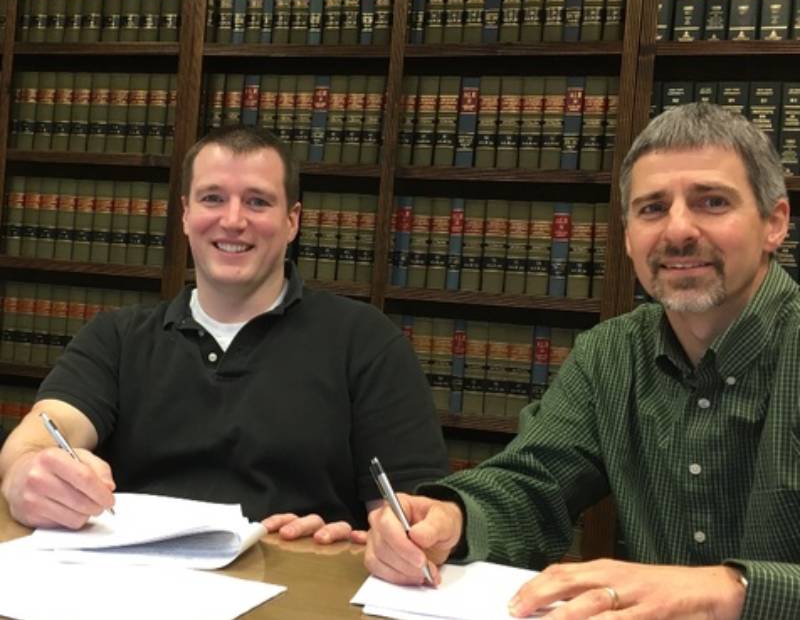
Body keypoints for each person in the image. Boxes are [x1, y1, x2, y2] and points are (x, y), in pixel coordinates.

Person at [365, 102, 799, 618]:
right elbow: (533, 486)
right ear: (628, 237)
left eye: (711, 202)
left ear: (775, 223)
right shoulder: (610, 354)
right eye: (652, 208)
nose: (678, 231)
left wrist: (730, 591)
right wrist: (452, 518)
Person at [0, 125, 448, 544]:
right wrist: (26, 472)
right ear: (185, 214)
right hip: (136, 587)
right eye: (213, 198)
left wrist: (376, 543)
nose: (233, 221)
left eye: (257, 202)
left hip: (301, 587)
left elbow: (409, 518)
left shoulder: (367, 342)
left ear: (292, 221)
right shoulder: (115, 339)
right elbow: (38, 436)